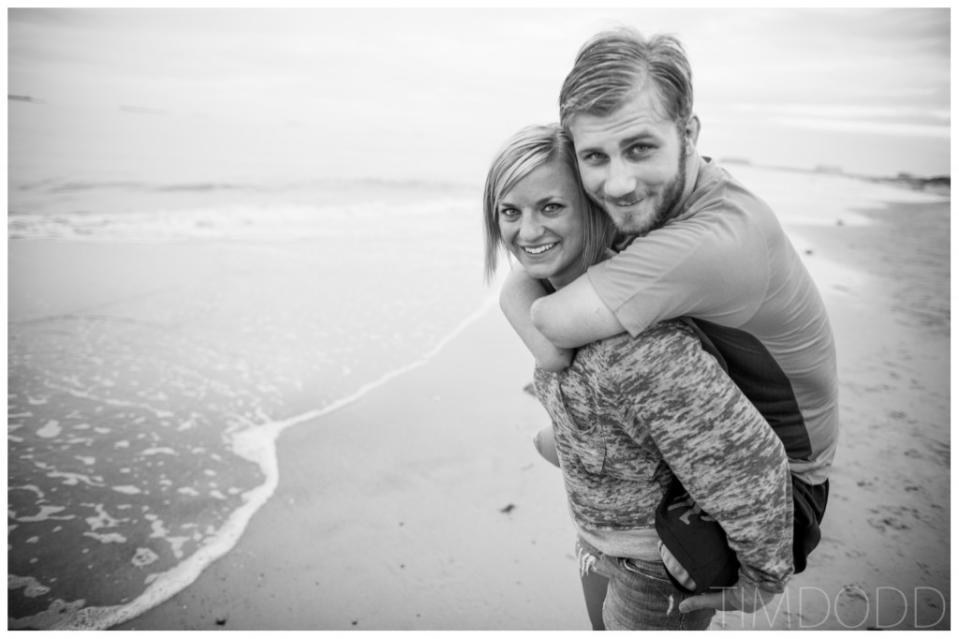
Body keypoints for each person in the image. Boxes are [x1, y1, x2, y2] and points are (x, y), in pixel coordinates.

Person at [499, 28, 837, 614]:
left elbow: (552, 322)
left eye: (640, 148)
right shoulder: (682, 200)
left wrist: (758, 579)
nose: (619, 184)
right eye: (594, 157)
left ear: (689, 134)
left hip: (782, 482)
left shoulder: (701, 244)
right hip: (723, 432)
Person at [483, 123, 794, 630]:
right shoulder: (549, 299)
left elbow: (751, 459)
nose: (528, 231)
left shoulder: (641, 343)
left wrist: (762, 579)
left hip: (652, 568)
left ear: (591, 207)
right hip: (597, 537)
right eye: (510, 211)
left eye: (551, 207)